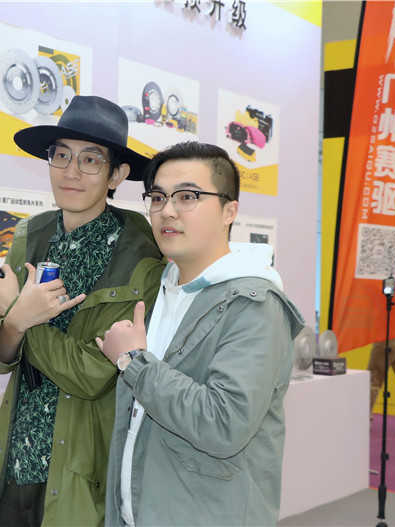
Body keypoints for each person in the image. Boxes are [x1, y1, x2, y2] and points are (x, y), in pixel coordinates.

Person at [0, 95, 165, 527]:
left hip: (80, 474)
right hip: (15, 460)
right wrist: (13, 323)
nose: (71, 172)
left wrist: (18, 316)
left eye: (90, 160)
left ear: (117, 174)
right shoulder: (30, 235)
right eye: (61, 155)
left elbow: (93, 373)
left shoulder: (142, 255)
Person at [96, 141, 304, 526]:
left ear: (229, 211)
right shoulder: (161, 289)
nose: (167, 210)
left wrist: (134, 362)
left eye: (187, 196)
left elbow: (224, 424)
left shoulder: (254, 304)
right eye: (157, 197)